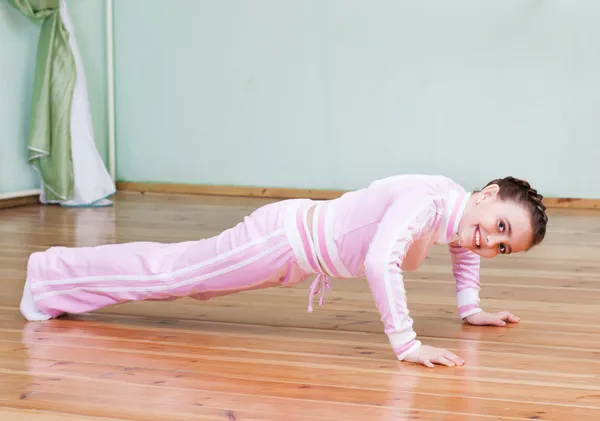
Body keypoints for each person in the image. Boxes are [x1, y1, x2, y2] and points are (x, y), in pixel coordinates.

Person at [19, 174, 548, 368]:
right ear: (488, 194)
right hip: (280, 239)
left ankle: (61, 284)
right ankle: (49, 276)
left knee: (191, 285)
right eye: (499, 225)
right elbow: (377, 261)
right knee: (173, 276)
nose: (489, 242)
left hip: (293, 256)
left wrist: (470, 308)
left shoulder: (455, 212)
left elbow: (462, 252)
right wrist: (407, 345)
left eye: (503, 246)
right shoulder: (429, 200)